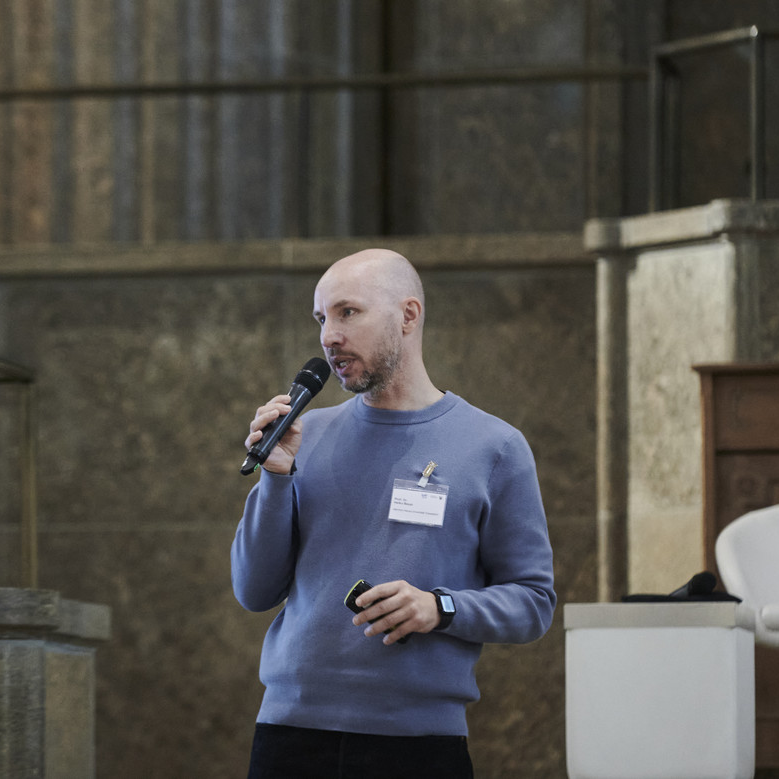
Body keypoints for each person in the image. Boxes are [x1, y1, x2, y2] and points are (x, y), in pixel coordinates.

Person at [231, 248, 556, 778]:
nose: (328, 336)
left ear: (408, 316)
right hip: (289, 737)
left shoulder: (493, 446)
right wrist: (275, 475)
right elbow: (253, 590)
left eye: (347, 312)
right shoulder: (302, 437)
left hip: (417, 745)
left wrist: (439, 607)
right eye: (321, 319)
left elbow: (533, 602)